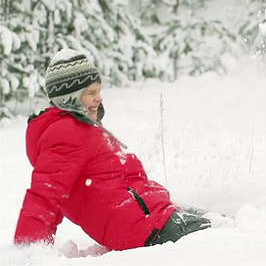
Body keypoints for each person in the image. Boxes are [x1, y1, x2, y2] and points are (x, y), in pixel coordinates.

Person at [14, 48, 223, 253]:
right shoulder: (67, 132)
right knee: (226, 232)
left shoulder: (77, 129)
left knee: (226, 221)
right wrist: (29, 250)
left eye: (98, 91)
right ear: (70, 98)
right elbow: (45, 195)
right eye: (91, 93)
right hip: (145, 227)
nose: (99, 98)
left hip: (151, 218)